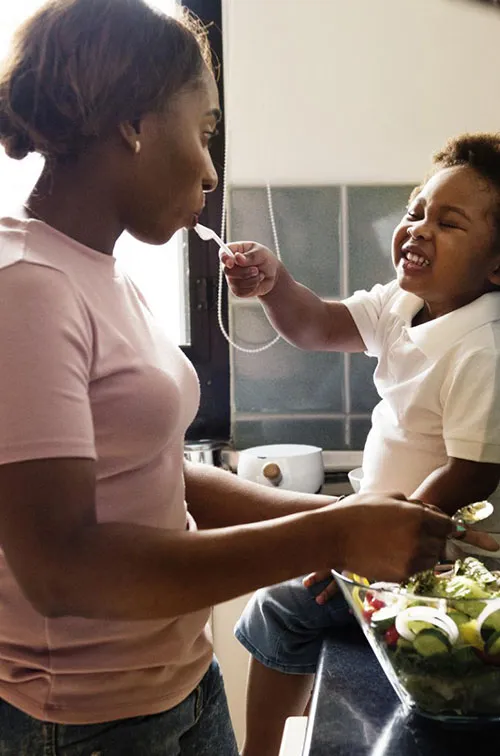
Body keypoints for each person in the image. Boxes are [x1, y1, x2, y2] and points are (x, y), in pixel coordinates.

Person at [0, 1, 479, 754]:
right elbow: (65, 568)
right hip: (85, 724)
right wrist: (330, 531)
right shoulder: (24, 286)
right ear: (133, 124)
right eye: (205, 131)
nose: (212, 166)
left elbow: (160, 477)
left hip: (179, 687)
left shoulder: (99, 275)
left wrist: (325, 526)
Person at [221, 132, 500, 756]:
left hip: (435, 562)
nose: (419, 230)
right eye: (416, 212)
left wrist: (365, 546)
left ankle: (257, 751)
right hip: (383, 536)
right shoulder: (406, 304)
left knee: (277, 608)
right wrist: (274, 283)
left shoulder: (485, 347)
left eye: (448, 223)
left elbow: (470, 475)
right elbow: (317, 324)